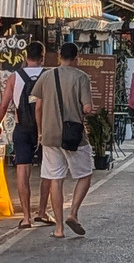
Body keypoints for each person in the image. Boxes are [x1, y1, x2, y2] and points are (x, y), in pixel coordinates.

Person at [31, 42, 94, 238]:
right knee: (85, 175)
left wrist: (41, 132)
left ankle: (59, 229)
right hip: (73, 137)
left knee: (55, 180)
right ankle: (73, 212)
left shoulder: (46, 76)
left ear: (59, 56)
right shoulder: (82, 77)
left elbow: (38, 106)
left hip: (50, 136)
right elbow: (87, 108)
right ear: (77, 57)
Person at [0, 41, 52, 229]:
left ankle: (26, 218)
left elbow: (4, 105)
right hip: (45, 128)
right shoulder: (49, 75)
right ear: (42, 57)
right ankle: (42, 212)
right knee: (48, 171)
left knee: (22, 172)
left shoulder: (14, 77)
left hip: (22, 128)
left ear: (26, 57)